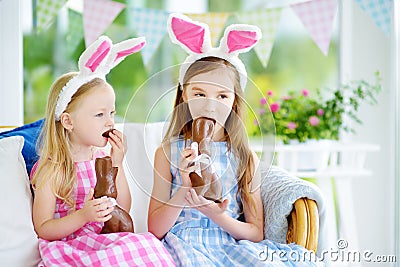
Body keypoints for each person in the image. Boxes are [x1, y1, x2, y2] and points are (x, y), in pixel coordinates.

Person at [148, 14, 323, 266]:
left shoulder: (243, 156)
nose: (210, 104)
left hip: (229, 244)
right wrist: (185, 187)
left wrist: (216, 215)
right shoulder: (166, 153)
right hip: (182, 245)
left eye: (222, 96)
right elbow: (155, 229)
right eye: (199, 93)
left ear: (234, 103)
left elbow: (255, 232)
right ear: (183, 94)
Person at [30, 36, 175, 266]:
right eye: (100, 115)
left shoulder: (102, 158)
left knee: (146, 243)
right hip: (73, 247)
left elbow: (123, 208)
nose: (110, 122)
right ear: (68, 121)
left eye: (112, 113)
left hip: (104, 240)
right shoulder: (53, 168)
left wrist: (118, 162)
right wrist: (83, 216)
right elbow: (44, 228)